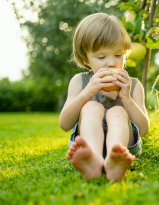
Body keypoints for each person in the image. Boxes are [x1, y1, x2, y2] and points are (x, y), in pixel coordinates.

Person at [59, 13, 149, 181]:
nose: (111, 63)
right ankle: (94, 159)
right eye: (101, 57)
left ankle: (115, 157)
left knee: (118, 111)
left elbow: (143, 130)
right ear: (86, 59)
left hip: (124, 147)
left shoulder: (133, 85)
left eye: (118, 55)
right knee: (91, 107)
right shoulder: (79, 81)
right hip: (85, 145)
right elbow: (64, 124)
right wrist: (87, 93)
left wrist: (126, 98)